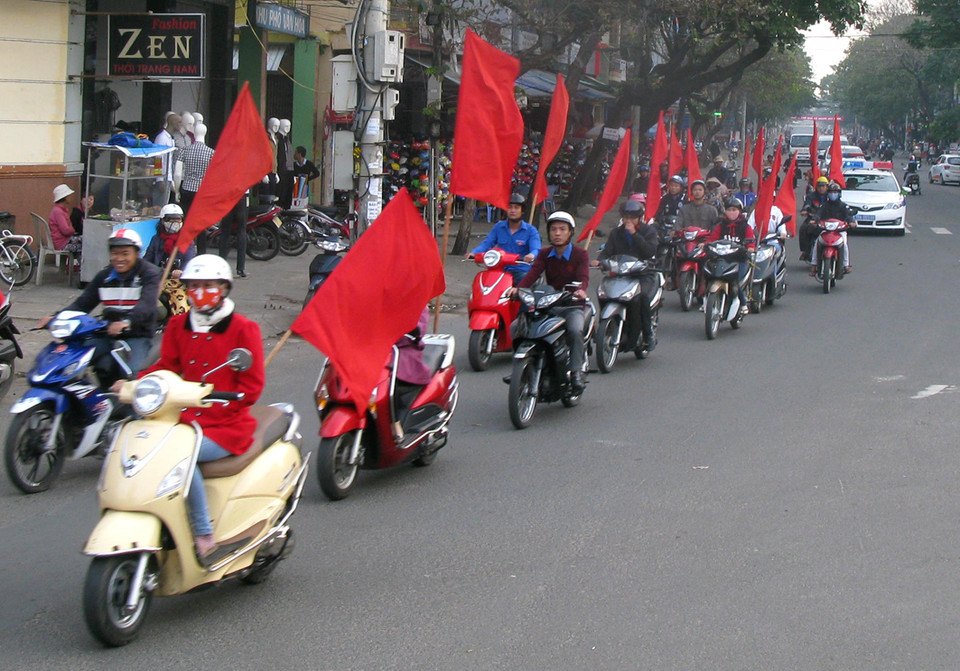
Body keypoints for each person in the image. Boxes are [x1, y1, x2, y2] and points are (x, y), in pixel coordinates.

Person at [131, 254, 264, 560]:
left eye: (208, 285)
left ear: (223, 288)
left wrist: (222, 402)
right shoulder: (178, 324)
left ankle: (203, 534)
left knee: (179, 456)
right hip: (182, 421)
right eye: (194, 286)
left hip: (226, 426)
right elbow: (168, 366)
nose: (200, 292)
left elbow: (252, 387)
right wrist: (138, 383)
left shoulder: (244, 329)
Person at [36, 228, 160, 386]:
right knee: (72, 358)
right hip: (107, 334)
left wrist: (126, 322)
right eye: (115, 253)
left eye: (125, 253)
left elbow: (147, 305)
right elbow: (83, 303)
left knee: (133, 375)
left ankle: (133, 410)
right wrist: (56, 317)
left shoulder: (149, 274)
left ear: (136, 253)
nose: (119, 258)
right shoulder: (105, 276)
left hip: (137, 335)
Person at [507, 211, 590, 393]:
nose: (557, 233)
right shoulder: (544, 254)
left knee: (575, 330)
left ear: (570, 232)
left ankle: (576, 372)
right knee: (516, 327)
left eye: (562, 229)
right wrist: (518, 289)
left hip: (572, 306)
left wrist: (580, 290)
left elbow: (583, 276)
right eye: (554, 229)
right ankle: (519, 368)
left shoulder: (580, 254)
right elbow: (532, 274)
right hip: (548, 304)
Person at [591, 200, 659, 351]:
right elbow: (607, 251)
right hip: (620, 274)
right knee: (604, 293)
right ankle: (606, 326)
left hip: (642, 275)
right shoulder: (616, 233)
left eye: (632, 217)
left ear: (639, 218)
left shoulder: (648, 231)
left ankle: (648, 334)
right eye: (626, 217)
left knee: (642, 298)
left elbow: (650, 251)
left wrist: (634, 234)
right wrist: (600, 261)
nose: (628, 221)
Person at [467, 192, 541, 283]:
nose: (512, 210)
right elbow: (487, 243)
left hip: (521, 271)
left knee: (524, 285)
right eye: (510, 207)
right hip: (500, 269)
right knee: (483, 282)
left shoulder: (531, 230)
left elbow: (536, 249)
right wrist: (474, 253)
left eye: (516, 208)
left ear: (522, 211)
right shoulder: (498, 227)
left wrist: (531, 255)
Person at [143, 204, 196, 322]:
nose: (175, 222)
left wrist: (181, 270)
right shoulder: (156, 239)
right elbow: (147, 259)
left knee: (180, 302)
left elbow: (189, 260)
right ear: (163, 221)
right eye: (171, 219)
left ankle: (181, 322)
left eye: (178, 219)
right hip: (158, 279)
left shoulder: (186, 241)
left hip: (178, 282)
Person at [705, 198, 755, 316]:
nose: (731, 212)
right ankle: (705, 300)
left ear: (739, 211)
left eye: (734, 210)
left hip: (739, 260)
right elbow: (712, 239)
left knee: (735, 282)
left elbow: (751, 240)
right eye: (728, 210)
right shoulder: (720, 226)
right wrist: (706, 244)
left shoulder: (745, 227)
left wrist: (750, 247)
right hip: (722, 259)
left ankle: (743, 304)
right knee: (709, 274)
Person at [179, 122, 215, 252]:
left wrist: (177, 189)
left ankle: (185, 251)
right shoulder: (211, 153)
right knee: (200, 224)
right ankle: (201, 252)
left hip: (187, 188)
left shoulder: (185, 150)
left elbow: (178, 173)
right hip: (202, 191)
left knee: (186, 222)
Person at [810, 181, 856, 275]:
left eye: (835, 192)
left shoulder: (843, 205)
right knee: (817, 244)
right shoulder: (825, 205)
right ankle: (814, 266)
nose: (833, 194)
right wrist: (814, 220)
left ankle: (846, 265)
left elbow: (848, 215)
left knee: (845, 245)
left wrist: (851, 222)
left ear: (839, 193)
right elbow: (818, 213)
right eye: (831, 192)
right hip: (826, 230)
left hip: (840, 231)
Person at [798, 176, 829, 260]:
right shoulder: (812, 196)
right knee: (803, 228)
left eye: (823, 186)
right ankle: (806, 251)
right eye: (819, 186)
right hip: (813, 219)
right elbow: (807, 204)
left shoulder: (830, 196)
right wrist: (805, 210)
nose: (821, 188)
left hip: (827, 220)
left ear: (827, 187)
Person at [153, 113, 181, 205]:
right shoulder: (162, 138)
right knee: (159, 206)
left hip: (168, 177)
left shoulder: (171, 139)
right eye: (179, 122)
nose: (181, 125)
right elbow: (158, 159)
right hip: (162, 177)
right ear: (172, 123)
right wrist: (159, 179)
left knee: (164, 204)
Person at [219, 192, 249, 278]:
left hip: (227, 195)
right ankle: (241, 268)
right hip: (242, 195)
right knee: (242, 230)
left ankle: (221, 265)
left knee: (225, 231)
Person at [49, 184, 82, 255]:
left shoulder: (60, 210)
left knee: (85, 239)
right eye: (69, 196)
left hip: (65, 241)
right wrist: (72, 230)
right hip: (63, 244)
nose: (70, 197)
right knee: (86, 245)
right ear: (64, 197)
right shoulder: (58, 212)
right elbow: (66, 231)